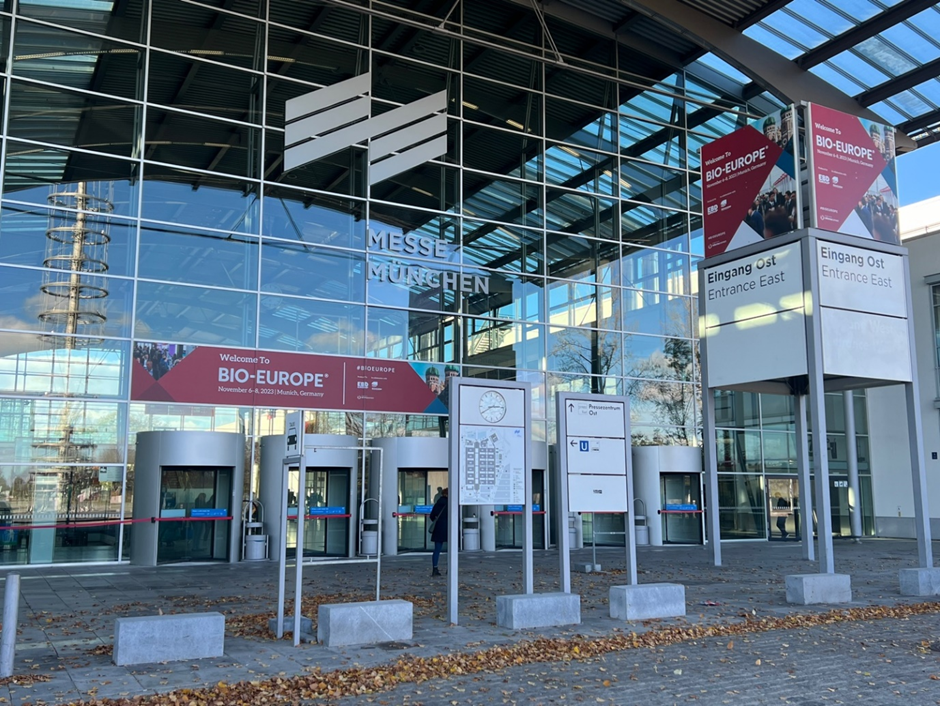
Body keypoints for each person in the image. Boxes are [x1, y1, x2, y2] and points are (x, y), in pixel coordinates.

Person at [428, 487, 448, 577]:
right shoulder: (451, 503)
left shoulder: (439, 502)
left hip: (439, 527)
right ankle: (450, 568)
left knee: (437, 549)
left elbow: (432, 515)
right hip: (449, 527)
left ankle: (435, 568)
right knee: (451, 549)